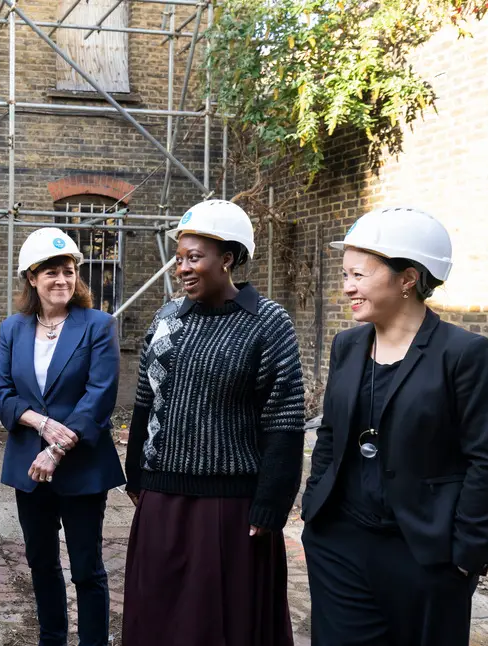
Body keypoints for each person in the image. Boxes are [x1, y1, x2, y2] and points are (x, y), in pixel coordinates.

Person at [301, 206, 488, 646]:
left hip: (425, 555)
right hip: (340, 544)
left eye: (358, 275)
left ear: (408, 279)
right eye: (345, 275)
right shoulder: (348, 345)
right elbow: (331, 434)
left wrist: (465, 556)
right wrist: (314, 509)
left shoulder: (465, 355)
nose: (347, 288)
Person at [122, 199, 305, 646]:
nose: (182, 268)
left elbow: (283, 418)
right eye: (179, 257)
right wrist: (136, 474)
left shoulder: (266, 322)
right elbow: (146, 401)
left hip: (229, 507)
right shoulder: (166, 319)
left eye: (194, 257)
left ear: (227, 259)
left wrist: (272, 504)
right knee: (158, 617)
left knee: (221, 623)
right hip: (163, 497)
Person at [0, 227, 124, 646]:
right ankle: (52, 639)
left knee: (87, 566)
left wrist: (58, 447)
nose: (62, 280)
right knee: (41, 562)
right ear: (31, 278)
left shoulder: (98, 325)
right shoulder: (13, 328)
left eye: (68, 271)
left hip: (81, 466)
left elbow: (100, 397)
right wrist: (39, 423)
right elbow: (1, 392)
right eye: (51, 272)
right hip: (29, 466)